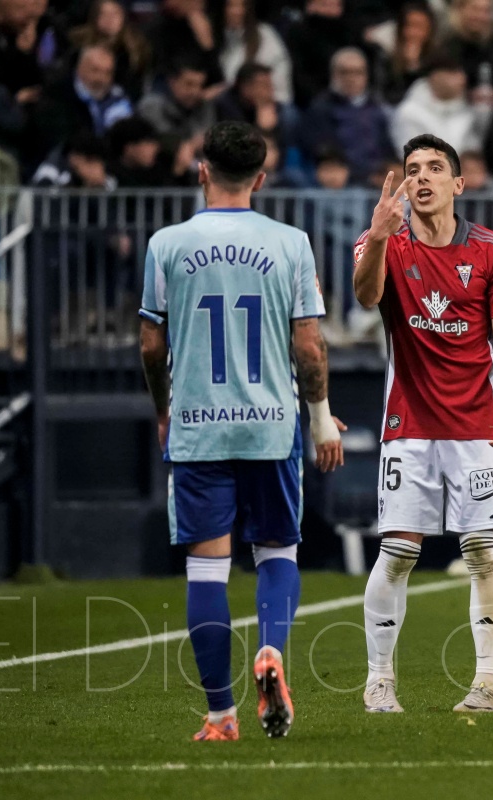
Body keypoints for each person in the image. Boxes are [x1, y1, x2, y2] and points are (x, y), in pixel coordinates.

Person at [138, 121, 345, 742]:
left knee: (207, 568)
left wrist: (164, 409)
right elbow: (308, 345)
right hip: (271, 426)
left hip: (198, 426)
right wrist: (320, 418)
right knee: (277, 552)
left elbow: (150, 344)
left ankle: (221, 716)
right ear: (261, 178)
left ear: (201, 170)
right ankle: (271, 650)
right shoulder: (290, 242)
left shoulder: (167, 244)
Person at [351, 134, 493, 714]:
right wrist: (380, 235)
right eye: (413, 169)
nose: (422, 177)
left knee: (483, 552)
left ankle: (487, 685)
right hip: (408, 423)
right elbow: (366, 296)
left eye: (435, 168)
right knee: (397, 552)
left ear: (459, 183)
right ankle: (379, 681)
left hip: (476, 426)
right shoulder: (381, 240)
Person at [299, 47, 394, 189]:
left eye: (357, 72)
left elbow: (387, 149)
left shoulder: (378, 109)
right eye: (344, 72)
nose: (351, 78)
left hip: (376, 181)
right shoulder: (320, 109)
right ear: (333, 74)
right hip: (339, 184)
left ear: (366, 76)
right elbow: (321, 151)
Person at [33, 43, 132, 160]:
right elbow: (62, 142)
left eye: (107, 73)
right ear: (80, 68)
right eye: (95, 70)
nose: (101, 79)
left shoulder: (118, 98)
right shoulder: (57, 96)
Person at [391, 53, 485, 153]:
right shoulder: (410, 113)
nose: (462, 79)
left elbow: (474, 151)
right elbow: (414, 155)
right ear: (435, 76)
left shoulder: (469, 110)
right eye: (453, 73)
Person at [66, 0, 149, 101]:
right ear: (95, 17)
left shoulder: (135, 47)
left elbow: (136, 84)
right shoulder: (77, 42)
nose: (109, 19)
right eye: (103, 14)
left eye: (115, 14)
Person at [214, 0, 292, 105]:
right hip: (237, 103)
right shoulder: (221, 38)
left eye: (242, 6)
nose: (237, 11)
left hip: (273, 102)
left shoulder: (264, 34)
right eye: (231, 6)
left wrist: (220, 90)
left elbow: (278, 78)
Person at [439, 0, 493, 94]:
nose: (481, 16)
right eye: (475, 9)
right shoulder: (446, 45)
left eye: (486, 11)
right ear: (460, 9)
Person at [138, 60, 215, 141]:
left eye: (200, 85)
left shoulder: (203, 103)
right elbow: (166, 142)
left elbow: (209, 136)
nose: (195, 92)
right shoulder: (151, 106)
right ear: (172, 81)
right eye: (189, 84)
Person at [380, 1, 437, 106]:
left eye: (420, 27)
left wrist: (415, 66)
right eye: (409, 26)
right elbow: (388, 96)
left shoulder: (437, 59)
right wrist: (408, 67)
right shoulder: (386, 55)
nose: (413, 33)